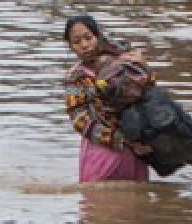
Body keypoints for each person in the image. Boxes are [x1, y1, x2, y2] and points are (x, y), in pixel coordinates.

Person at [63, 15, 152, 183]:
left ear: (98, 36)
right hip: (102, 150)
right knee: (98, 204)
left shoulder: (123, 63)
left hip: (137, 150)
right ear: (70, 46)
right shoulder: (75, 77)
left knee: (137, 204)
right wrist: (122, 140)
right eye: (77, 42)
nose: (84, 45)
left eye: (88, 38)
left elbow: (150, 92)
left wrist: (144, 66)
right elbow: (80, 121)